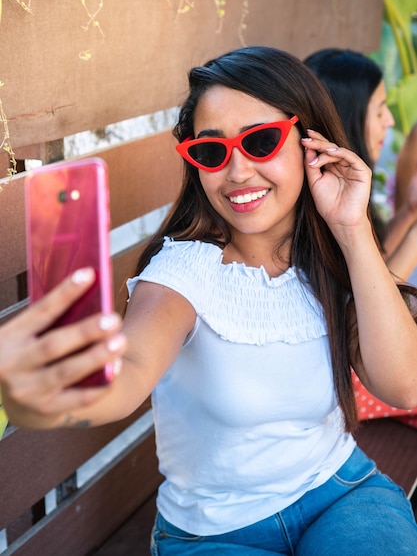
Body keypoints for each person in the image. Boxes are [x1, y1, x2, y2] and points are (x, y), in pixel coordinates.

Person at [1, 46, 417, 555]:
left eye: (261, 141)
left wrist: (351, 228)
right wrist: (58, 385)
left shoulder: (331, 255)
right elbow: (128, 370)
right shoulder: (184, 272)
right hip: (213, 533)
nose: (238, 172)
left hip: (342, 495)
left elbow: (404, 383)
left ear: (311, 144)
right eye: (212, 151)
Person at [304, 47, 417, 283]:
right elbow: (379, 303)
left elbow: (374, 260)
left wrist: (410, 212)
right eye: (378, 112)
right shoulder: (319, 202)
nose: (390, 120)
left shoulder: (344, 182)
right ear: (347, 118)